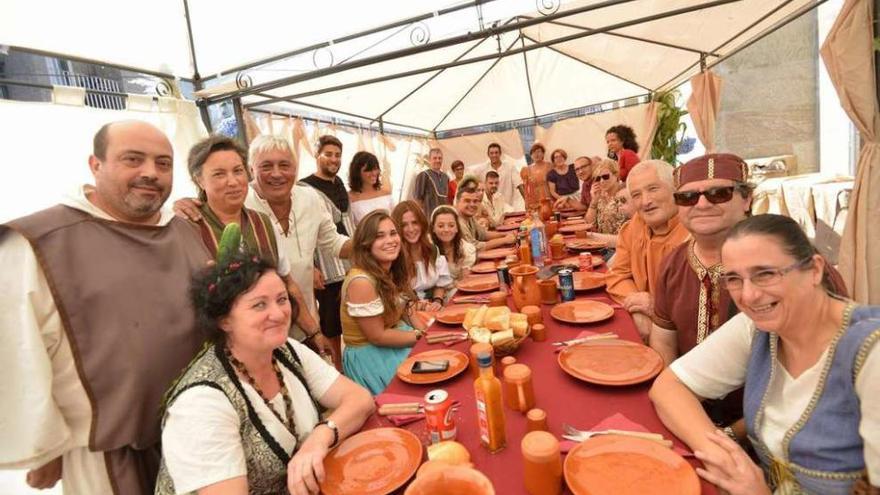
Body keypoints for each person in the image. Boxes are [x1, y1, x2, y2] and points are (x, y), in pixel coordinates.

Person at [0, 121, 212, 494]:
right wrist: (45, 446)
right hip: (107, 451)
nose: (150, 172)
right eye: (133, 159)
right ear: (95, 165)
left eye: (163, 163)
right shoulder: (40, 243)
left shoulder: (184, 231)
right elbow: (15, 348)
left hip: (201, 435)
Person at [649, 214, 878, 495]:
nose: (748, 295)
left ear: (815, 270)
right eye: (734, 279)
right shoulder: (758, 327)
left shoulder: (870, 353)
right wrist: (727, 458)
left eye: (766, 274)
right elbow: (669, 387)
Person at [156, 254, 374, 495]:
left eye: (282, 299)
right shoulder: (201, 404)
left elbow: (360, 400)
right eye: (259, 304)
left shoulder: (285, 351)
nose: (279, 314)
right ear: (224, 320)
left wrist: (319, 438)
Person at [175, 136, 352, 365]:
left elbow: (288, 283)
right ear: (199, 179)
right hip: (221, 357)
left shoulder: (263, 222)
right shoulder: (186, 228)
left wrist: (314, 332)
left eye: (237, 171)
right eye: (219, 174)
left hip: (278, 342)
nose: (232, 181)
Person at [340, 210, 428, 394]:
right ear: (365, 244)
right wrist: (420, 338)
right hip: (372, 356)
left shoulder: (391, 267)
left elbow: (406, 309)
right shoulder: (361, 282)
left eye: (393, 233)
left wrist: (425, 334)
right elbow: (377, 336)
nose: (390, 240)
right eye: (380, 236)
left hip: (397, 337)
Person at [605, 160, 689, 339]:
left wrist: (656, 308)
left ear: (676, 188)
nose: (645, 201)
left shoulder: (695, 231)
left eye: (653, 189)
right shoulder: (633, 228)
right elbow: (618, 276)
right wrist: (638, 307)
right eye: (636, 195)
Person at [299, 135, 356, 370]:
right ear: (317, 155)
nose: (334, 159)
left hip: (350, 260)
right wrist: (312, 267)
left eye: (338, 155)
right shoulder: (304, 187)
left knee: (351, 316)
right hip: (327, 265)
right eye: (329, 154)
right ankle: (338, 369)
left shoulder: (339, 183)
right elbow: (302, 230)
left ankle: (353, 365)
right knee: (331, 323)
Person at [392, 200, 453, 310]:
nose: (411, 229)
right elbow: (399, 298)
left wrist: (437, 301)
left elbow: (440, 283)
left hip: (432, 306)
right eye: (404, 225)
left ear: (422, 223)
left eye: (415, 222)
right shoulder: (394, 257)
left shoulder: (432, 250)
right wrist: (422, 307)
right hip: (409, 311)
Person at [455, 175, 515, 252]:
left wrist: (506, 234)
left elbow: (483, 234)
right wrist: (505, 240)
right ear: (457, 201)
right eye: (467, 201)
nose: (472, 204)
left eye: (475, 201)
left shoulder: (469, 216)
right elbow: (475, 247)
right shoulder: (457, 221)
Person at [581, 158, 628, 248]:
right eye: (598, 178)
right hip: (603, 246)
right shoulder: (600, 198)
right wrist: (594, 201)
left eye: (605, 177)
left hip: (620, 247)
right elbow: (588, 224)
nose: (602, 181)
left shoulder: (624, 196)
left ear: (616, 175)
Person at [470, 142, 525, 209]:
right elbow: (469, 180)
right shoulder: (482, 169)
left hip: (507, 208)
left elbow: (519, 184)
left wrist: (528, 202)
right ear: (488, 154)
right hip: (489, 209)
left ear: (500, 153)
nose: (494, 155)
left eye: (496, 153)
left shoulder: (510, 167)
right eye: (492, 153)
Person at [430, 205, 477, 280]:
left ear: (457, 228)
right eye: (441, 226)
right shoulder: (428, 250)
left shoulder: (465, 248)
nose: (446, 230)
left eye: (451, 225)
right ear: (433, 229)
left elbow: (465, 280)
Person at [348, 150, 394, 225]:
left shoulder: (386, 192)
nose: (374, 173)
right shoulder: (350, 198)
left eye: (376, 169)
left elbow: (394, 219)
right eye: (368, 170)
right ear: (357, 172)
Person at [412, 147, 450, 216]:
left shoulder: (446, 177)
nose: (438, 160)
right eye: (435, 158)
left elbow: (447, 199)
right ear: (429, 160)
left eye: (440, 158)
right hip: (429, 217)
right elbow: (417, 200)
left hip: (444, 217)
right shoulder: (423, 175)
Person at [521, 142, 552, 210]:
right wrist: (527, 203)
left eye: (538, 152)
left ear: (543, 154)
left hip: (548, 198)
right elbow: (526, 190)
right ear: (531, 155)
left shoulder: (549, 166)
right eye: (533, 152)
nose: (536, 154)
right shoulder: (526, 169)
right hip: (535, 201)